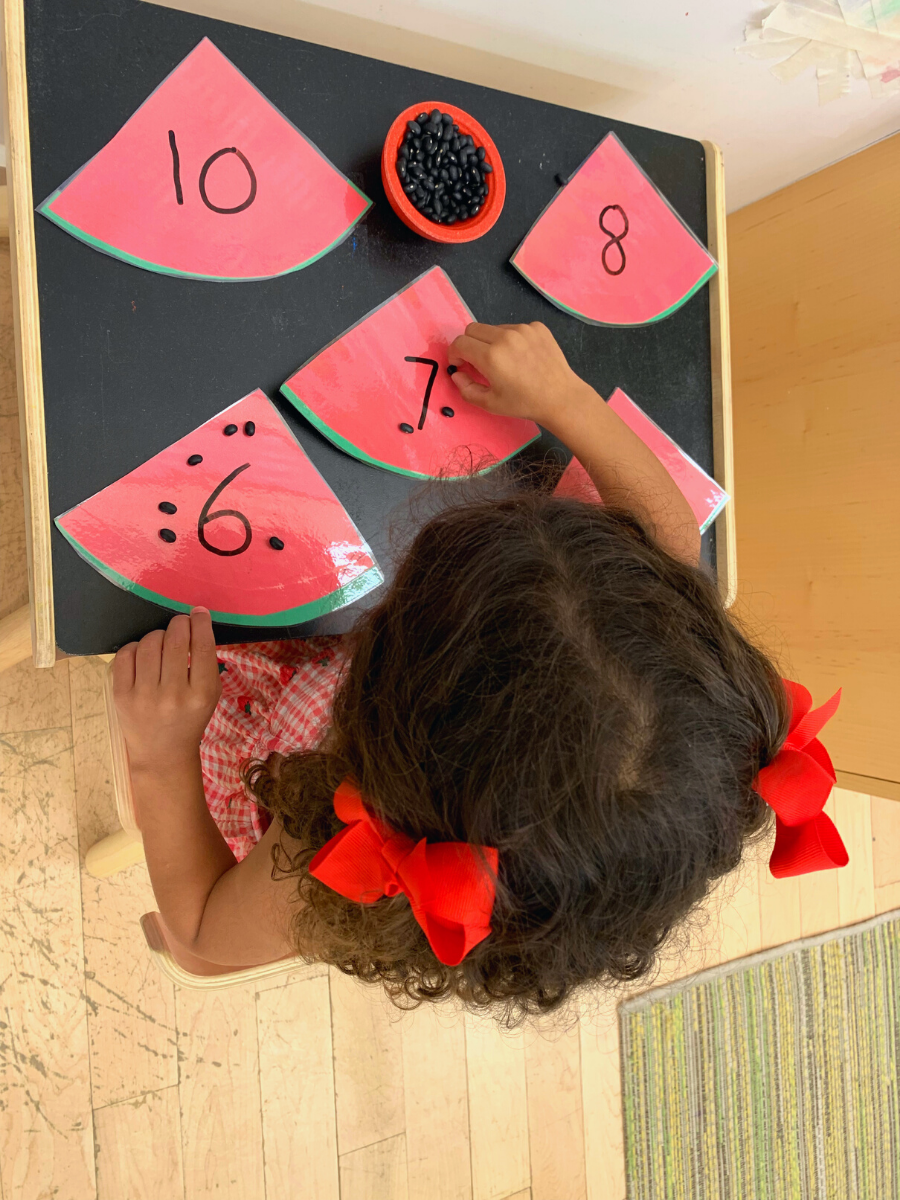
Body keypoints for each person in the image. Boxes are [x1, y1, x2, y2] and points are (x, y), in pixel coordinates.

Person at [113, 321, 841, 1020]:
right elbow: (669, 533)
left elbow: (204, 934)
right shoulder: (674, 691)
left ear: (384, 667)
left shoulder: (338, 845)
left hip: (243, 733)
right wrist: (566, 400)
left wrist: (159, 755)